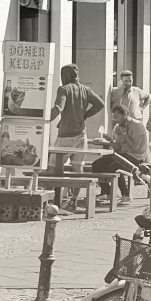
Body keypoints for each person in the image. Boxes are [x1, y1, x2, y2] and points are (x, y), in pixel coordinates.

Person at [49, 64, 104, 208]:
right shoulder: (86, 90)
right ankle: (73, 200)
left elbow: (59, 107)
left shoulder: (64, 89)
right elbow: (100, 104)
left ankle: (54, 200)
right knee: (78, 168)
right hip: (81, 135)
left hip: (65, 136)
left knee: (54, 168)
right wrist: (85, 115)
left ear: (65, 76)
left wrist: (44, 119)